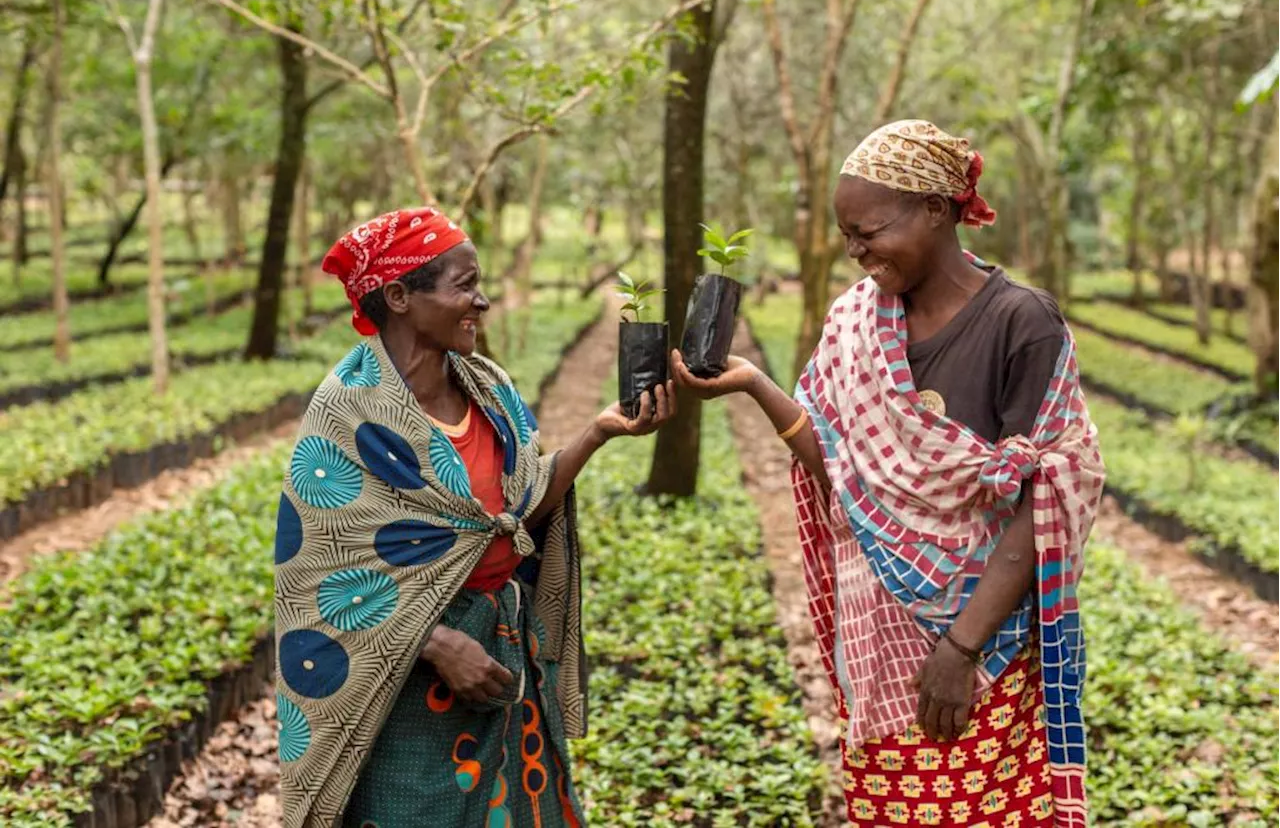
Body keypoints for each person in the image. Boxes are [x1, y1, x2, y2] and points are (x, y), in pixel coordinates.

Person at [674, 120, 1105, 828]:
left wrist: (960, 649)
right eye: (847, 235)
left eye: (869, 230)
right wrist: (753, 384)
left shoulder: (1021, 322)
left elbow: (1048, 495)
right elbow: (844, 471)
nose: (856, 251)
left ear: (936, 209)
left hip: (985, 651)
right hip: (878, 647)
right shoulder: (857, 322)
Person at [273, 207, 675, 828]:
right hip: (403, 690)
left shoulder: (486, 385)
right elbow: (318, 582)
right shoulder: (348, 411)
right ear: (401, 295)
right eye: (464, 286)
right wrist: (433, 643)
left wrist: (598, 433)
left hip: (501, 657)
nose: (481, 302)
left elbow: (514, 517)